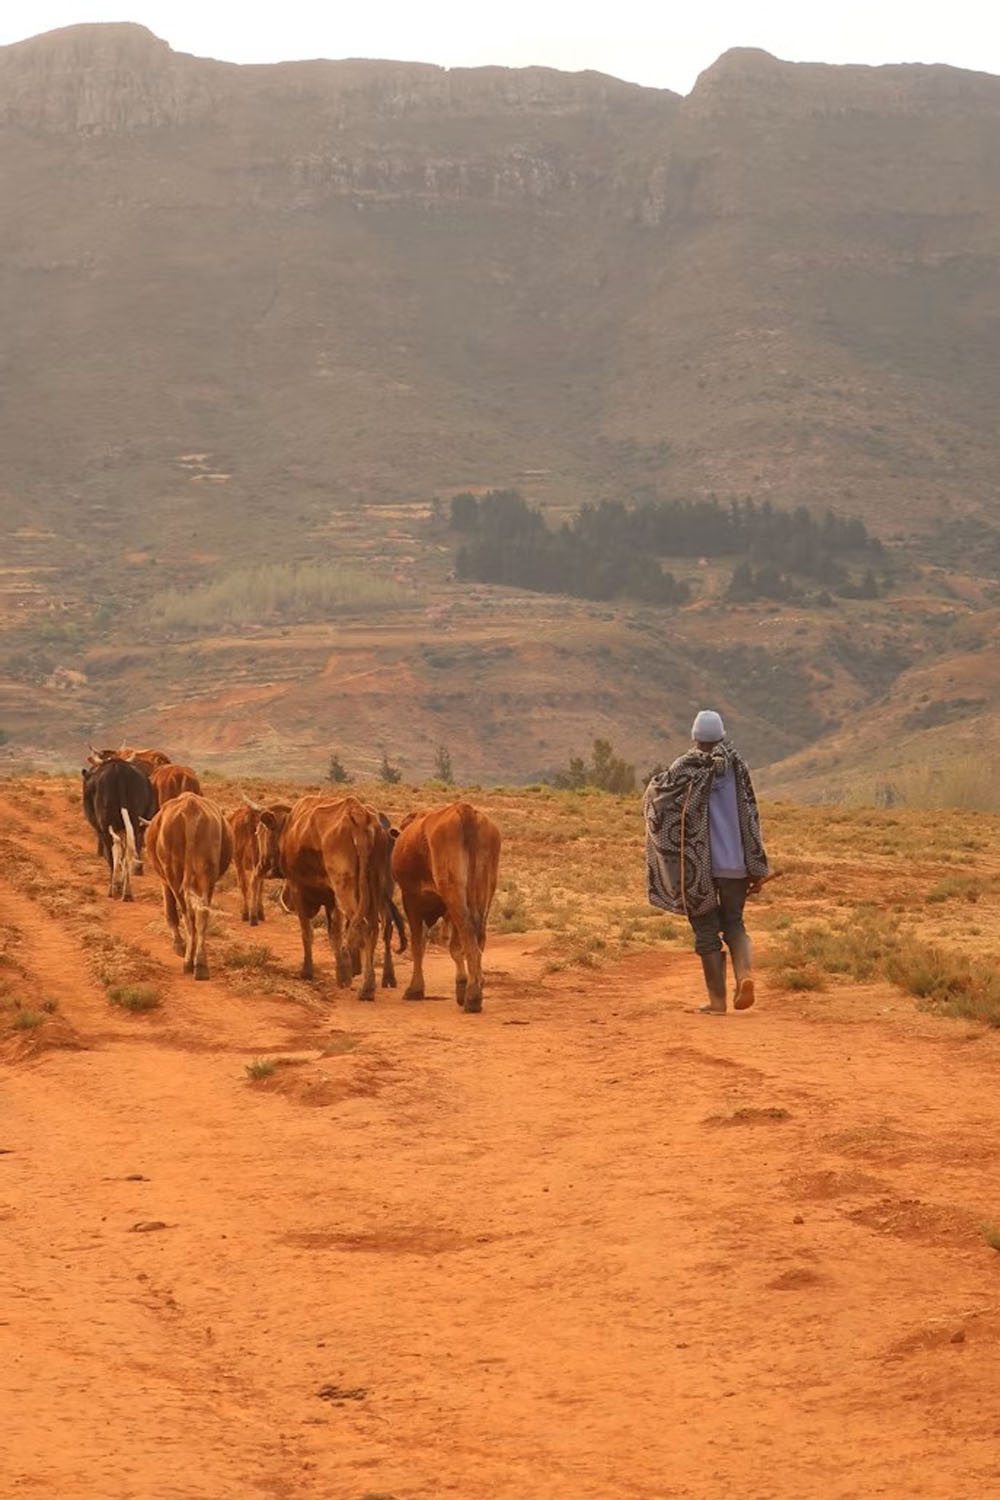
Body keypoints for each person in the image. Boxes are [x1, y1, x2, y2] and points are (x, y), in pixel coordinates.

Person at [643, 710, 769, 1014]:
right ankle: (745, 975)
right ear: (722, 736)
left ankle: (716, 1001)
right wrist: (756, 864)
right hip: (735, 863)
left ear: (695, 737)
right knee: (734, 923)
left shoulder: (684, 768)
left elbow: (657, 802)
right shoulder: (738, 767)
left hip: (696, 866)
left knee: (705, 927)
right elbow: (751, 814)